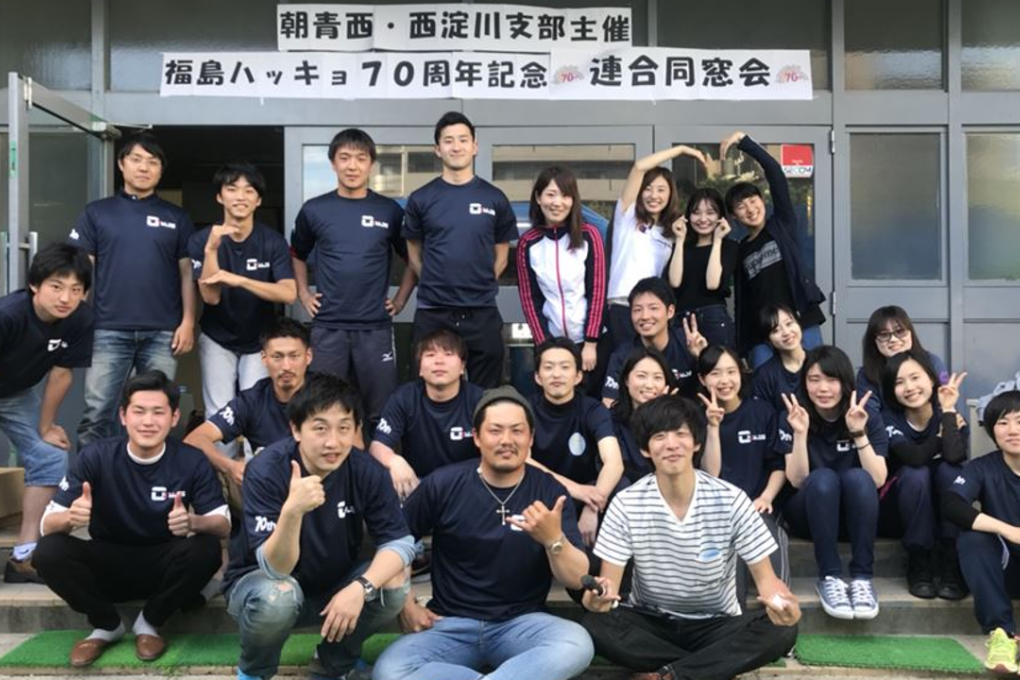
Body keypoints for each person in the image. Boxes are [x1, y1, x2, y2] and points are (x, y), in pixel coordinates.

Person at [372, 386, 594, 680]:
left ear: (530, 438)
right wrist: (407, 600)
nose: (506, 440)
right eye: (495, 430)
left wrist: (554, 539)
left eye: (517, 431)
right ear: (476, 437)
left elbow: (577, 577)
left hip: (522, 624)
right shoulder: (444, 484)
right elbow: (395, 539)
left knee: (576, 643)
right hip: (449, 624)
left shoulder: (550, 490)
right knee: (390, 670)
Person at [580, 394, 800, 680]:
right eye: (659, 436)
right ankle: (706, 670)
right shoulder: (626, 503)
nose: (671, 445)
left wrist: (784, 607)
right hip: (651, 621)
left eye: (681, 434)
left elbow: (768, 583)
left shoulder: (731, 499)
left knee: (782, 630)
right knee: (594, 624)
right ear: (645, 449)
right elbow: (608, 587)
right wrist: (597, 600)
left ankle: (668, 675)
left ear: (696, 443)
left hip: (716, 624)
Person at [224, 373, 413, 680]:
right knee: (279, 595)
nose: (333, 442)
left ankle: (333, 664)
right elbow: (275, 568)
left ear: (356, 430)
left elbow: (400, 543)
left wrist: (359, 588)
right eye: (320, 428)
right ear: (296, 429)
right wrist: (292, 512)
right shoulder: (266, 470)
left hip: (334, 587)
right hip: (261, 588)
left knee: (392, 583)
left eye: (344, 428)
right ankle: (254, 672)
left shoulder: (365, 470)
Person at [34, 371, 228, 667]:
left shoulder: (191, 459)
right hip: (108, 562)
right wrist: (70, 518)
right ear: (123, 416)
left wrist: (193, 523)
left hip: (164, 564)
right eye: (139, 411)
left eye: (158, 412)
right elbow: (46, 524)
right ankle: (106, 625)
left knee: (207, 549)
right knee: (48, 551)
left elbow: (222, 524)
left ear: (174, 417)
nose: (148, 421)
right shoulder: (95, 457)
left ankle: (149, 623)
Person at [69, 132, 196, 446]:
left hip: (163, 331)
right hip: (107, 329)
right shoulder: (97, 213)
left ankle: (145, 482)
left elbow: (187, 274)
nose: (144, 167)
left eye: (152, 162)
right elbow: (82, 271)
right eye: (136, 159)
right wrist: (79, 319)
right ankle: (94, 486)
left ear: (160, 170)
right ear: (121, 164)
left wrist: (189, 321)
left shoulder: (176, 217)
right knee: (99, 412)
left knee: (156, 413)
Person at [291, 128, 416, 429]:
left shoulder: (388, 210)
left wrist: (400, 301)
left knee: (380, 412)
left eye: (360, 158)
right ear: (332, 163)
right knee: (323, 408)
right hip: (328, 327)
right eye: (344, 157)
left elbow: (413, 260)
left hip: (374, 328)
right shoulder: (314, 210)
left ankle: (378, 473)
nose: (352, 165)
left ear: (371, 164)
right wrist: (304, 295)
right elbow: (295, 253)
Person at [0, 244, 94, 583]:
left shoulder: (80, 319)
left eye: (76, 289)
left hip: (15, 394)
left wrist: (46, 425)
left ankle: (24, 557)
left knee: (51, 457)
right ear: (35, 285)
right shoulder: (8, 314)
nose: (66, 297)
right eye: (57, 286)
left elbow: (61, 372)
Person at [189, 163, 296, 459]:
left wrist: (238, 280)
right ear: (220, 197)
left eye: (249, 190)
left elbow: (289, 292)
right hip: (217, 338)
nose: (241, 196)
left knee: (258, 412)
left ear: (258, 200)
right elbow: (210, 297)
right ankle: (219, 491)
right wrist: (211, 251)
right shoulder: (201, 240)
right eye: (232, 189)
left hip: (260, 341)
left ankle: (257, 484)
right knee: (219, 414)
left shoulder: (271, 241)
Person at [405, 112, 517, 389]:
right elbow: (414, 256)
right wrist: (437, 281)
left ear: (475, 146)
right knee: (430, 388)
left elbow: (502, 257)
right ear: (437, 149)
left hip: (481, 312)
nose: (456, 147)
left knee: (486, 393)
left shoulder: (494, 198)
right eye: (448, 141)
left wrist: (477, 284)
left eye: (463, 140)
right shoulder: (421, 198)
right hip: (434, 311)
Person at [779, 346, 888, 620]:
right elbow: (796, 480)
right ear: (804, 383)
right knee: (823, 478)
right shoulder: (794, 416)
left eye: (831, 380)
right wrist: (800, 434)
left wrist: (858, 433)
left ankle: (862, 578)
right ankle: (829, 577)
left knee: (858, 477)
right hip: (808, 514)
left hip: (853, 518)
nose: (823, 388)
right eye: (814, 380)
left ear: (845, 382)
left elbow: (878, 479)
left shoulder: (866, 416)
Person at [722, 131, 825, 370]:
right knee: (765, 389)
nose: (749, 208)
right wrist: (743, 345)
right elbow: (743, 302)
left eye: (752, 200)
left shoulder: (782, 225)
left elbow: (775, 174)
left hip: (801, 321)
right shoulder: (741, 250)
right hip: (763, 334)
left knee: (813, 376)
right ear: (735, 217)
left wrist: (744, 142)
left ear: (762, 200)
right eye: (740, 206)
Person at [697, 345, 789, 600]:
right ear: (703, 379)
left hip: (759, 505)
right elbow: (710, 474)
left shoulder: (762, 412)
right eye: (715, 374)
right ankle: (732, 613)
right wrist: (713, 427)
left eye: (731, 372)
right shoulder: (696, 418)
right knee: (728, 535)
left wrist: (767, 497)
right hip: (717, 509)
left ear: (742, 373)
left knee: (763, 528)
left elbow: (778, 465)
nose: (725, 381)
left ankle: (777, 607)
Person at [878, 350, 967, 600]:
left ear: (931, 379)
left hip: (942, 512)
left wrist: (948, 410)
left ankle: (951, 560)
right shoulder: (888, 419)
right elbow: (913, 458)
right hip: (899, 510)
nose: (909, 387)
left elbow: (955, 457)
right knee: (915, 473)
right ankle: (919, 561)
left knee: (951, 472)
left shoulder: (949, 414)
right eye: (899, 382)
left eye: (915, 378)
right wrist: (942, 436)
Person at [184, 317, 313, 489]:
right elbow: (195, 439)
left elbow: (354, 447)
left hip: (318, 488)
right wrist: (229, 466)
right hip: (267, 490)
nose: (286, 366)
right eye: (277, 357)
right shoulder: (251, 400)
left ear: (308, 356)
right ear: (264, 358)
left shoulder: (328, 396)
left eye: (294, 356)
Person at [943, 391, 1020, 674]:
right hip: (1003, 568)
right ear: (991, 430)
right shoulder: (982, 467)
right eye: (1003, 423)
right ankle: (1001, 634)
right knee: (973, 538)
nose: (1013, 430)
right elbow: (952, 504)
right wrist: (1008, 530)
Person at [605, 145, 707, 351]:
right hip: (623, 306)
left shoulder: (668, 231)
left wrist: (679, 239)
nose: (654, 195)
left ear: (670, 194)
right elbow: (639, 167)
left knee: (651, 367)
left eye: (661, 190)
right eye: (648, 189)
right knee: (628, 366)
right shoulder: (627, 216)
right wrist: (680, 151)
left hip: (652, 311)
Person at [527, 338, 624, 546]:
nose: (556, 374)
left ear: (578, 375)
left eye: (565, 367)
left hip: (587, 496)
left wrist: (592, 505)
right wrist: (576, 489)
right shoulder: (525, 410)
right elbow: (523, 460)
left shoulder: (593, 410)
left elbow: (614, 462)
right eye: (548, 367)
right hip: (542, 492)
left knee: (621, 485)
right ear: (537, 376)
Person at [369, 329, 483, 498]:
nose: (439, 361)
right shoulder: (405, 398)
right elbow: (378, 446)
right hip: (418, 486)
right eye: (430, 355)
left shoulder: (479, 400)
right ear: (420, 369)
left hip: (469, 486)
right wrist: (395, 461)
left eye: (448, 354)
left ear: (462, 367)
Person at [516, 165, 607, 374]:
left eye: (565, 196)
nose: (557, 203)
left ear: (573, 200)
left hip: (589, 342)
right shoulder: (528, 243)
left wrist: (591, 342)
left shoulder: (589, 235)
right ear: (538, 198)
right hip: (552, 343)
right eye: (550, 195)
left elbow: (598, 290)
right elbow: (530, 300)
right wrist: (543, 345)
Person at [603, 277, 705, 407]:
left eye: (653, 308)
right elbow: (609, 404)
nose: (645, 316)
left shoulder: (688, 344)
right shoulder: (622, 355)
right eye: (637, 310)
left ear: (670, 311)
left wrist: (701, 358)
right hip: (639, 422)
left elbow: (715, 387)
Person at [667, 188, 738, 350]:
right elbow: (675, 282)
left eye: (711, 212)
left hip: (713, 318)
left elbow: (712, 283)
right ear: (688, 216)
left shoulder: (729, 247)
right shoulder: (680, 246)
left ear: (720, 217)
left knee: (717, 371)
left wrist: (718, 241)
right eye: (696, 213)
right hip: (682, 320)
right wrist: (679, 240)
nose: (703, 219)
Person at [859, 305, 949, 414]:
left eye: (900, 331)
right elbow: (871, 416)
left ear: (910, 332)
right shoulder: (866, 374)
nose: (893, 339)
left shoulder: (932, 362)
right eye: (884, 335)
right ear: (874, 340)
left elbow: (947, 403)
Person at [611, 347, 678, 484]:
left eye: (657, 378)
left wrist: (661, 415)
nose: (649, 385)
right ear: (626, 380)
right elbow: (621, 470)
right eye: (641, 376)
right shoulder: (611, 419)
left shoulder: (677, 419)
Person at [752, 306, 807, 414]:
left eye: (789, 323)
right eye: (775, 330)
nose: (786, 332)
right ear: (768, 340)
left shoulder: (820, 362)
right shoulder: (764, 375)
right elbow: (762, 417)